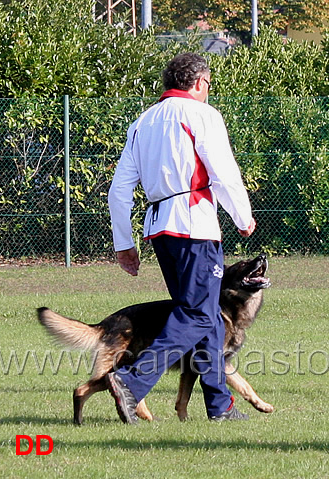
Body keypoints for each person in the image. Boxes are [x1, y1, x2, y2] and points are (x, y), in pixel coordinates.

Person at [106, 52, 256, 424]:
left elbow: (119, 189)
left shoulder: (142, 122)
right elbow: (223, 171)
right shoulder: (202, 115)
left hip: (160, 228)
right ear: (200, 83)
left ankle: (220, 407)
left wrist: (124, 242)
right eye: (209, 85)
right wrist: (242, 214)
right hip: (194, 225)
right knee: (195, 314)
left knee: (204, 315)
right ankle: (131, 380)